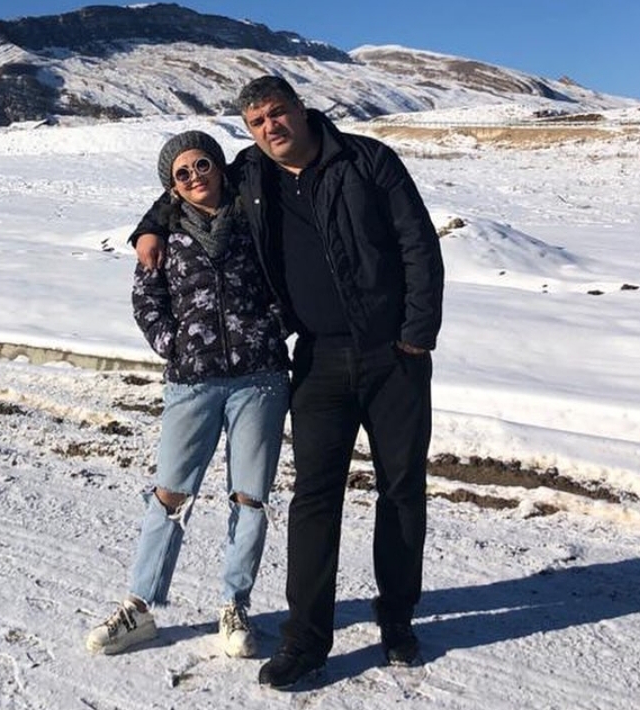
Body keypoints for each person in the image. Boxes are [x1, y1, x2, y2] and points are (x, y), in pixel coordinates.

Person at [132, 76, 444, 688]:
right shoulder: (253, 173)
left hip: (394, 354)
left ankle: (397, 617)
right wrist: (148, 227)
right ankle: (306, 639)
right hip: (318, 358)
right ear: (249, 131)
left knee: (401, 488)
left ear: (301, 110)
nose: (270, 127)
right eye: (256, 122)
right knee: (314, 498)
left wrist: (416, 334)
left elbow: (418, 243)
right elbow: (188, 183)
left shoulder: (367, 159)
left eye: (278, 113)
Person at [85, 130, 291, 659]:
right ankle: (139, 605)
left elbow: (287, 280)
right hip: (192, 380)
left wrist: (271, 329)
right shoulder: (163, 236)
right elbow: (146, 298)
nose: (195, 177)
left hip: (260, 378)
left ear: (218, 166)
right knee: (171, 493)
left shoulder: (255, 220)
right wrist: (171, 345)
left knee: (250, 496)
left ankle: (235, 605)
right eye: (182, 173)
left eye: (202, 165)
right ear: (171, 187)